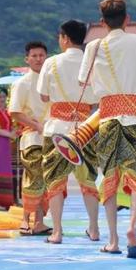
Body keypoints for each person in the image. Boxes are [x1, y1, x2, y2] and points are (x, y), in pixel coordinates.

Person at [78, 0, 136, 258]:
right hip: (135, 118)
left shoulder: (94, 47)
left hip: (107, 120)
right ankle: (133, 229)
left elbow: (84, 83)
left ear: (102, 22)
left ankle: (114, 240)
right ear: (127, 19)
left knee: (109, 176)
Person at [37, 19, 100, 244]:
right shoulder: (92, 62)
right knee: (89, 179)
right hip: (85, 129)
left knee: (55, 180)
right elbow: (98, 96)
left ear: (64, 38)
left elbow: (43, 95)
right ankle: (93, 229)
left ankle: (57, 232)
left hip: (56, 129)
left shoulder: (51, 62)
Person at [9, 41, 51, 236]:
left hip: (51, 137)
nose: (38, 59)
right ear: (27, 59)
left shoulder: (52, 82)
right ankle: (26, 220)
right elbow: (15, 112)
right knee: (33, 178)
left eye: (41, 55)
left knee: (48, 180)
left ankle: (40, 222)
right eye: (34, 56)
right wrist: (37, 126)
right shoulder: (22, 83)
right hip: (32, 137)